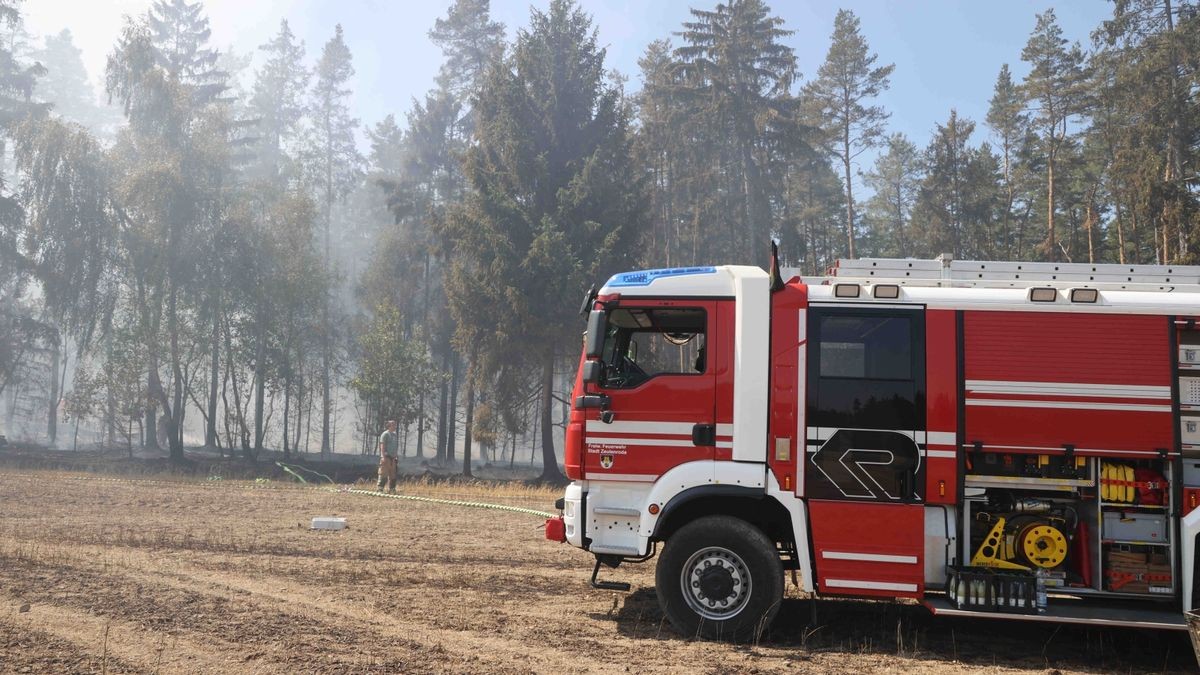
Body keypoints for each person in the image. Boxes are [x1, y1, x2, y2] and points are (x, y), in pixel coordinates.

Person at [377, 420, 399, 493]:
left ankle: (392, 489)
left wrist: (396, 456)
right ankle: (380, 488)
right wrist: (383, 456)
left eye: (395, 425)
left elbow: (395, 446)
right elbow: (382, 445)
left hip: (393, 458)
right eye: (393, 425)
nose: (395, 426)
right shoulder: (385, 434)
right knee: (383, 473)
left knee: (393, 474)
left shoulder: (395, 435)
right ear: (389, 426)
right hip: (386, 457)